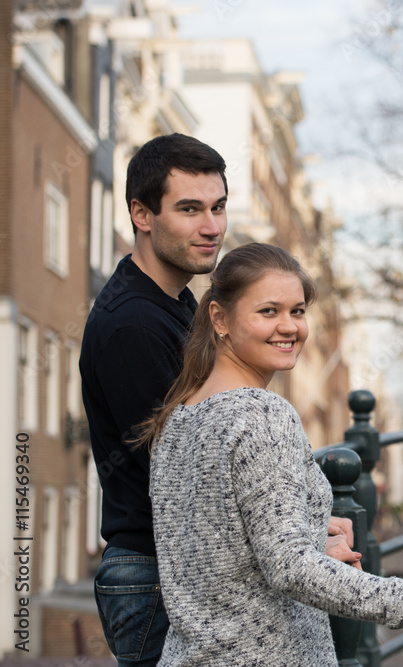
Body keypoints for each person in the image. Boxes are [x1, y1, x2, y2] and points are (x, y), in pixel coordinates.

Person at [135, 243, 403, 665]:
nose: (289, 326)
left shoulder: (175, 419)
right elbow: (291, 569)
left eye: (297, 311)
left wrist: (310, 530)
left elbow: (217, 549)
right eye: (268, 311)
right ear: (219, 318)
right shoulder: (263, 413)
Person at [79, 133, 229, 666]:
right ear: (142, 214)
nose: (211, 227)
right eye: (190, 209)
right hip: (156, 576)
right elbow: (181, 475)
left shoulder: (176, 304)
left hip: (173, 569)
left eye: (217, 207)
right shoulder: (132, 325)